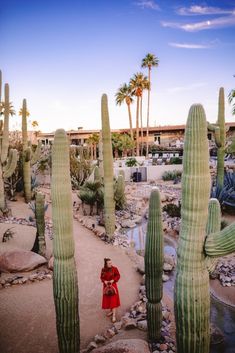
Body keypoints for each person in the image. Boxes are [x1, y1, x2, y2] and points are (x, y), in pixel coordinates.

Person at [100, 258, 120, 323]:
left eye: (111, 263)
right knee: (109, 300)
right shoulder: (103, 269)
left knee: (113, 301)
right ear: (106, 264)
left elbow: (118, 275)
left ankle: (114, 315)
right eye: (109, 263)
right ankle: (111, 311)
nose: (111, 264)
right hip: (106, 287)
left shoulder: (115, 268)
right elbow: (101, 277)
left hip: (113, 286)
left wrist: (113, 280)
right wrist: (104, 281)